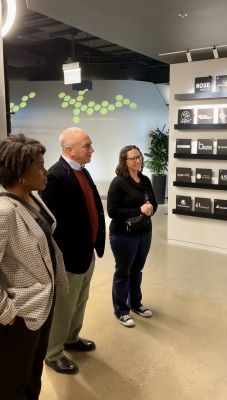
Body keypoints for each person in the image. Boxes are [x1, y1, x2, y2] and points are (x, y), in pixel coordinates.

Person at [0, 133, 68, 400]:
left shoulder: (33, 198)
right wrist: (7, 312)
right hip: (19, 312)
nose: (45, 171)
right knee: (12, 378)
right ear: (19, 173)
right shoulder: (4, 212)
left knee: (33, 370)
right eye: (39, 166)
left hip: (41, 304)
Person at [40, 127, 105, 374]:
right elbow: (51, 224)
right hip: (69, 258)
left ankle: (71, 339)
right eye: (87, 146)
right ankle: (53, 353)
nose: (92, 149)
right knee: (64, 306)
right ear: (69, 150)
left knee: (80, 300)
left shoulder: (81, 171)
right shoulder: (56, 176)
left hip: (86, 253)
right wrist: (63, 257)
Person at [107, 145, 158, 327]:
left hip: (144, 233)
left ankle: (136, 304)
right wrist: (138, 209)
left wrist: (150, 208)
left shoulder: (144, 180)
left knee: (137, 270)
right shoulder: (118, 182)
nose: (137, 160)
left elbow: (154, 203)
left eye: (139, 157)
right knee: (123, 272)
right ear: (124, 161)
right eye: (132, 158)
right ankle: (121, 310)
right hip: (123, 236)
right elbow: (112, 211)